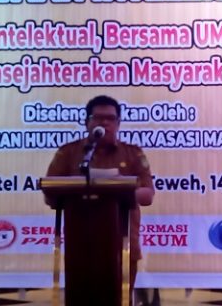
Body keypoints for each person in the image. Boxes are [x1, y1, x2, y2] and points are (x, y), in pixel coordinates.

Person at [46, 94, 155, 299]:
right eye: (97, 118)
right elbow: (50, 191)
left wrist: (120, 190)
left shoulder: (132, 153)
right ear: (87, 122)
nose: (104, 123)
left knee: (118, 299)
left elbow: (148, 195)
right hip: (81, 243)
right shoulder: (69, 153)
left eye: (110, 118)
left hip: (122, 242)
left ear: (118, 123)